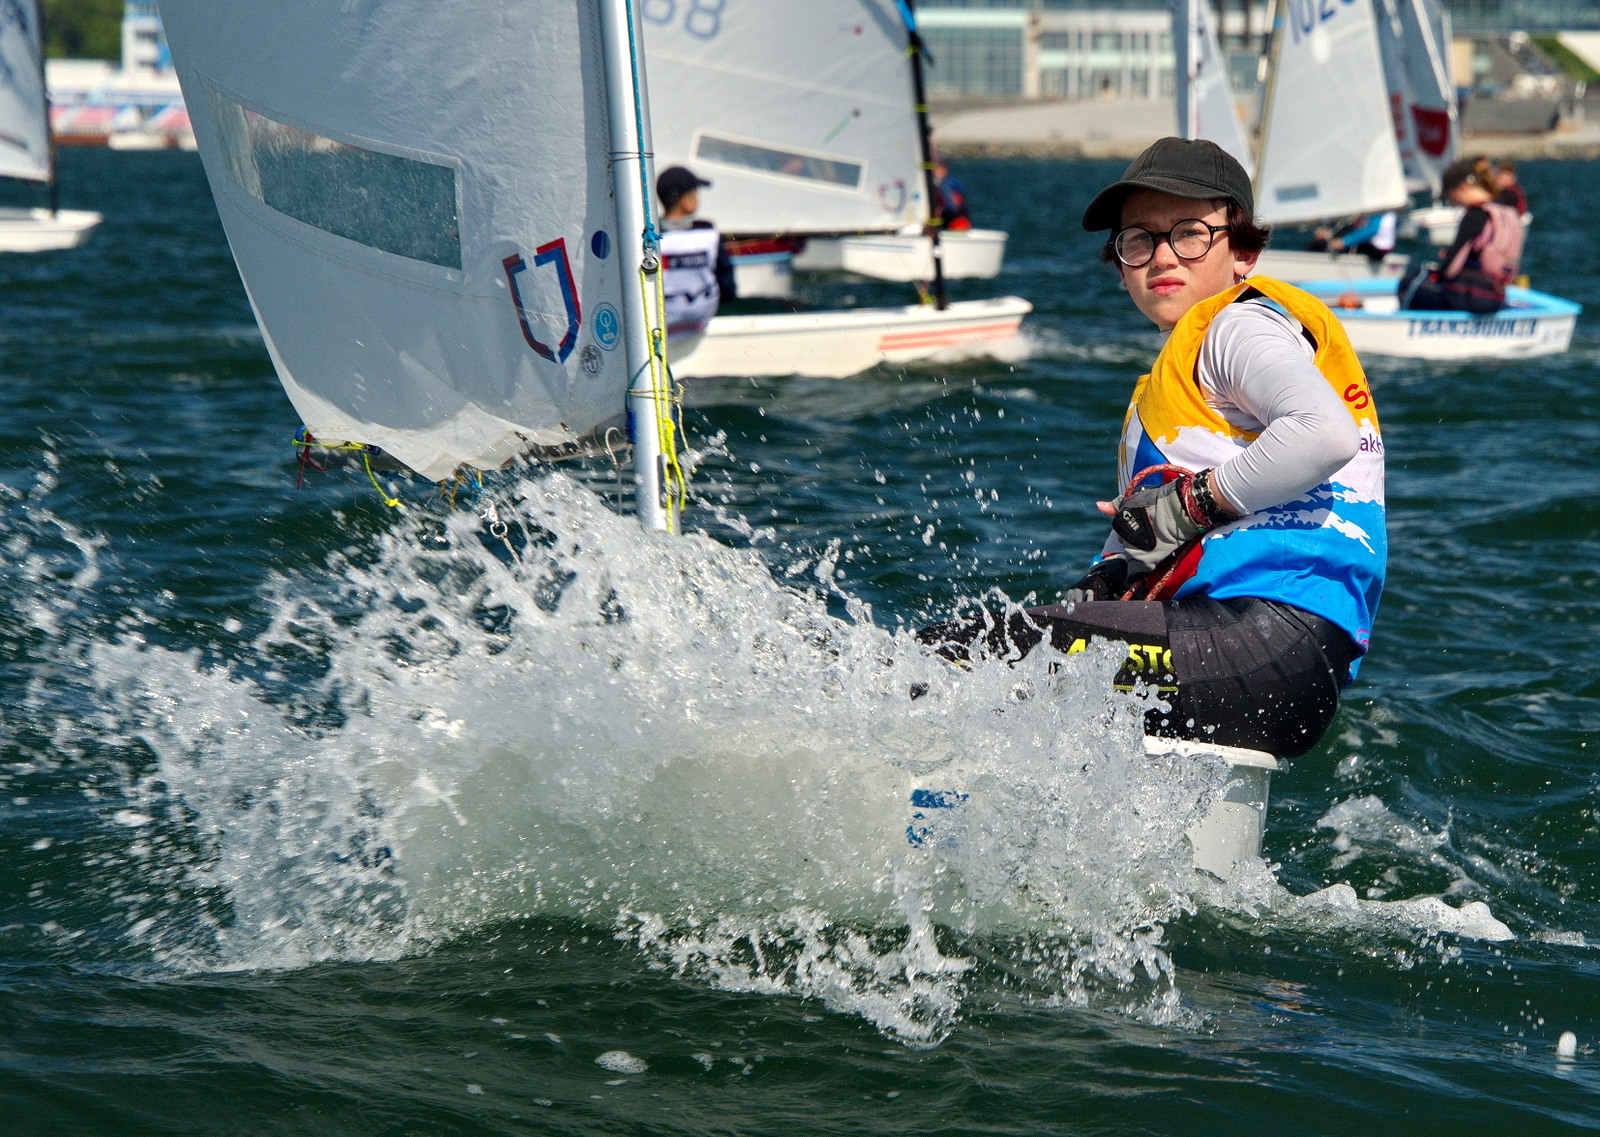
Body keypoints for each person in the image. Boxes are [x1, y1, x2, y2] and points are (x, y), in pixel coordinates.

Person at [919, 137, 1385, 759]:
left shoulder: (1237, 326)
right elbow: (1159, 536)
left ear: (1243, 249)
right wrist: (1105, 580)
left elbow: (1323, 432)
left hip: (1262, 642)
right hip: (1269, 662)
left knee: (948, 655)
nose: (1162, 256)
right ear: (1119, 263)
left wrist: (1187, 506)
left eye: (1190, 233)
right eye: (1138, 239)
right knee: (1018, 661)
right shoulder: (1186, 370)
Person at [1400, 157, 1523, 314]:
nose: (1452, 202)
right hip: (1497, 296)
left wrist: (1440, 268)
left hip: (1471, 296)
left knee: (1410, 283)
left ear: (1463, 188)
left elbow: (1450, 269)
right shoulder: (1507, 211)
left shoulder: (1475, 215)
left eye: (1451, 197)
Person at [656, 165, 736, 341]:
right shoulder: (707, 232)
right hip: (699, 320)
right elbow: (726, 281)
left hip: (663, 322)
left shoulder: (652, 236)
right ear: (687, 201)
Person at [1305, 210, 1398, 265]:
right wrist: (1330, 234)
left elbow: (1371, 230)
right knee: (1324, 242)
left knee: (1320, 245)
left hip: (1375, 250)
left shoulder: (1380, 207)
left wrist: (1343, 242)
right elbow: (1353, 225)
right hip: (1373, 246)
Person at [931, 156, 972, 232]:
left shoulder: (945, 185)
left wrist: (933, 221)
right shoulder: (950, 183)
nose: (932, 171)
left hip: (956, 224)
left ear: (944, 170)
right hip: (960, 223)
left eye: (936, 169)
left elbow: (951, 208)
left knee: (930, 223)